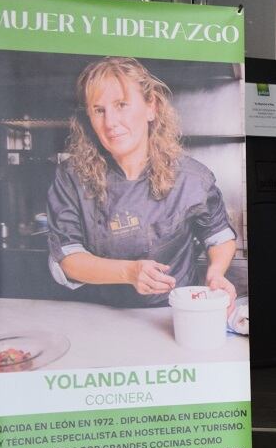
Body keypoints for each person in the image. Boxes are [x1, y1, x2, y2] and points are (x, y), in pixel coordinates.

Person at [48, 56, 239, 309]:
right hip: (100, 317)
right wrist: (128, 272)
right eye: (98, 110)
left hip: (173, 315)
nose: (110, 122)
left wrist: (216, 271)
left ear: (152, 107)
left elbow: (218, 235)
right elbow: (68, 258)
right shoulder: (72, 177)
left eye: (121, 105)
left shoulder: (192, 178)